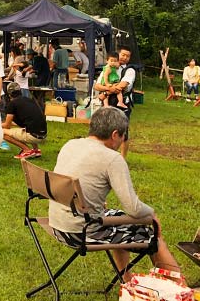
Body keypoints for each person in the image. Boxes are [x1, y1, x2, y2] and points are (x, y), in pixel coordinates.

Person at [48, 107, 180, 277]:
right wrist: (152, 215)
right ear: (115, 134)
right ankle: (179, 286)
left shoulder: (71, 144)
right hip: (83, 232)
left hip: (59, 225)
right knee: (151, 233)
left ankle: (126, 278)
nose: (124, 140)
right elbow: (134, 208)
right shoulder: (112, 159)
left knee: (117, 218)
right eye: (124, 135)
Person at [94, 46, 136, 158]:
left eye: (128, 56)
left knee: (123, 131)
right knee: (105, 129)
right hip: (108, 103)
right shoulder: (107, 68)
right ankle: (105, 156)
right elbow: (97, 86)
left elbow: (122, 86)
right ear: (118, 55)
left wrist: (106, 91)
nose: (125, 58)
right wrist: (109, 89)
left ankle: (122, 158)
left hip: (123, 104)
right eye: (123, 55)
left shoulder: (129, 70)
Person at [2, 82, 47, 160]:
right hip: (43, 135)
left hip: (33, 136)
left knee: (2, 132)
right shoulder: (29, 100)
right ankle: (36, 150)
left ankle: (27, 150)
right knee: (31, 127)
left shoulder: (12, 104)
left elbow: (7, 126)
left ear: (9, 94)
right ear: (20, 91)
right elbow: (29, 121)